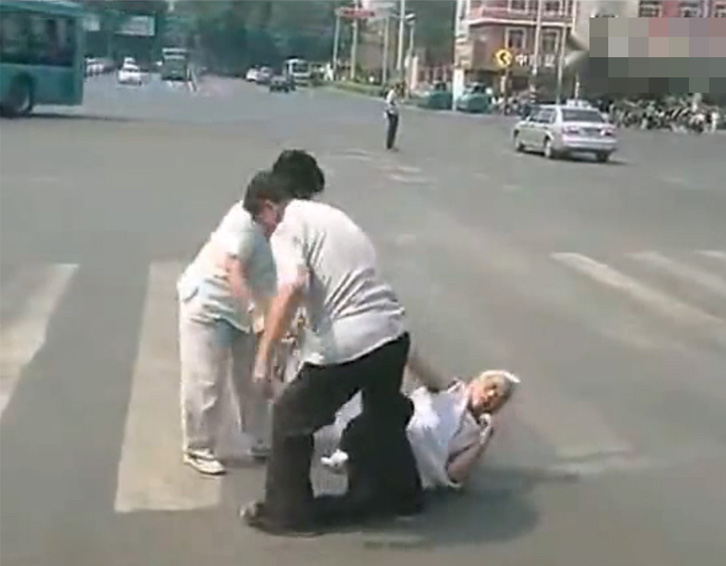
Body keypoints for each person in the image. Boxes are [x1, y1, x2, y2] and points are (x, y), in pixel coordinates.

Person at [239, 177, 421, 536]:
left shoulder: (287, 226)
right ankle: (402, 497)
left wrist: (264, 357)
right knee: (382, 415)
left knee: (290, 417)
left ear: (269, 207)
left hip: (350, 343)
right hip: (392, 334)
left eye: (261, 223)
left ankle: (287, 514)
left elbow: (292, 286)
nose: (265, 233)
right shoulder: (330, 217)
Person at [176, 151, 325, 476]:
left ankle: (259, 440)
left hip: (246, 310)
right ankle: (198, 448)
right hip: (210, 306)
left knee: (254, 379)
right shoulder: (244, 221)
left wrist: (288, 321)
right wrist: (258, 315)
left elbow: (285, 278)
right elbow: (235, 271)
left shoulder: (286, 226)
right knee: (206, 382)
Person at [321, 358, 519, 491]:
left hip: (413, 467)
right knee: (392, 406)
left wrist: (483, 442)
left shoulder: (475, 435)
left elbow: (453, 475)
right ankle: (348, 454)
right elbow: (420, 367)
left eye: (500, 397)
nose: (491, 396)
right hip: (396, 432)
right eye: (490, 387)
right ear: (474, 384)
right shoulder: (450, 390)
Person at [384, 82, 400, 150]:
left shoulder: (396, 94)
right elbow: (388, 102)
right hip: (391, 113)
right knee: (391, 129)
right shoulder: (392, 93)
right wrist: (394, 104)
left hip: (395, 113)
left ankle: (391, 144)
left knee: (394, 130)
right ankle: (389, 145)